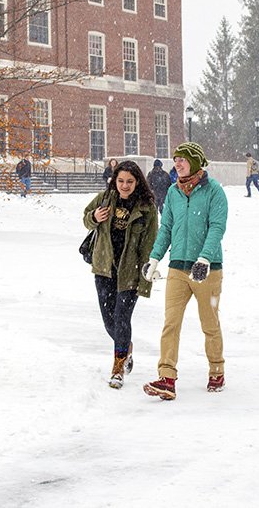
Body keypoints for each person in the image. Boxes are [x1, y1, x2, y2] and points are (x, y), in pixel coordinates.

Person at [141, 142, 228, 400]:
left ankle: (216, 369)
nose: (177, 163)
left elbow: (217, 228)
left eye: (183, 159)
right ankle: (167, 377)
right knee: (171, 323)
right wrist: (155, 259)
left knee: (209, 323)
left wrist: (204, 259)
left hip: (207, 270)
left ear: (196, 162)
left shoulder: (214, 191)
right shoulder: (173, 192)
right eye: (175, 159)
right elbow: (166, 228)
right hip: (178, 267)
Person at [83, 160, 160, 388]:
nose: (124, 186)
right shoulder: (105, 199)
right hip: (104, 268)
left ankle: (117, 368)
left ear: (138, 182)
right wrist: (94, 217)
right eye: (120, 181)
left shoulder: (146, 209)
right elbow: (86, 218)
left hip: (130, 272)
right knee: (109, 322)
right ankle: (126, 348)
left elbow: (149, 243)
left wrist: (147, 273)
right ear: (114, 181)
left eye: (129, 181)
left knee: (122, 319)